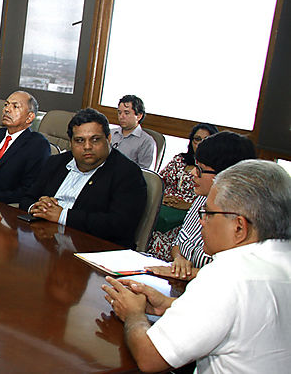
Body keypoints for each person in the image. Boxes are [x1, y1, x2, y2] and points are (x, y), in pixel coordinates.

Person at [101, 159, 291, 373]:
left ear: (239, 227)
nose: (201, 221)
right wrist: (168, 304)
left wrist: (134, 314)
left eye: (209, 213)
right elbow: (246, 320)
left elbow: (150, 357)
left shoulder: (227, 275)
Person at [20, 108, 146, 249]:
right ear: (71, 143)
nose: (87, 147)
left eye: (95, 139)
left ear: (108, 139)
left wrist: (62, 215)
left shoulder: (127, 173)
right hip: (46, 241)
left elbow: (120, 225)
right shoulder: (56, 162)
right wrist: (37, 207)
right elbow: (26, 198)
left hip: (96, 251)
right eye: (79, 140)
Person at [147, 131, 256, 279]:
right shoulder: (201, 197)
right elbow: (179, 241)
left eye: (200, 169)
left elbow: (231, 275)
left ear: (225, 174)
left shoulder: (240, 217)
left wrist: (191, 273)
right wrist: (179, 259)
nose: (192, 173)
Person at [146, 123, 218, 260]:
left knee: (159, 239)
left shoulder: (212, 173)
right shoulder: (180, 159)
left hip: (185, 214)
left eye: (206, 140)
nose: (200, 143)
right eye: (197, 139)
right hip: (165, 202)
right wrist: (162, 197)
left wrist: (187, 205)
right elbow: (159, 181)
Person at [110, 95, 155, 169]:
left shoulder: (146, 141)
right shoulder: (110, 133)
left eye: (126, 113)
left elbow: (144, 174)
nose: (121, 116)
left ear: (139, 116)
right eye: (119, 113)